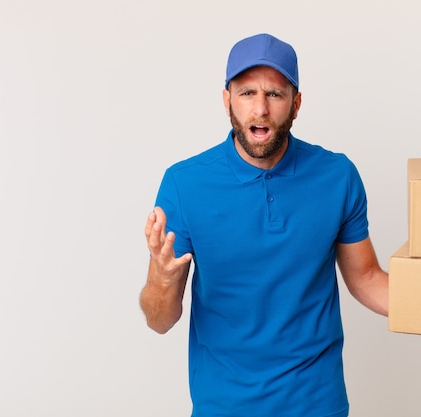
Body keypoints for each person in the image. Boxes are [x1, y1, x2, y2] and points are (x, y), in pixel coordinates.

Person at [140, 33, 388, 417]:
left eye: (274, 94)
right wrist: (162, 278)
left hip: (317, 404)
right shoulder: (184, 184)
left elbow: (368, 278)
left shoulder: (337, 176)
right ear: (227, 100)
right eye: (247, 93)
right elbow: (159, 320)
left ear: (296, 103)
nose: (260, 109)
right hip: (223, 407)